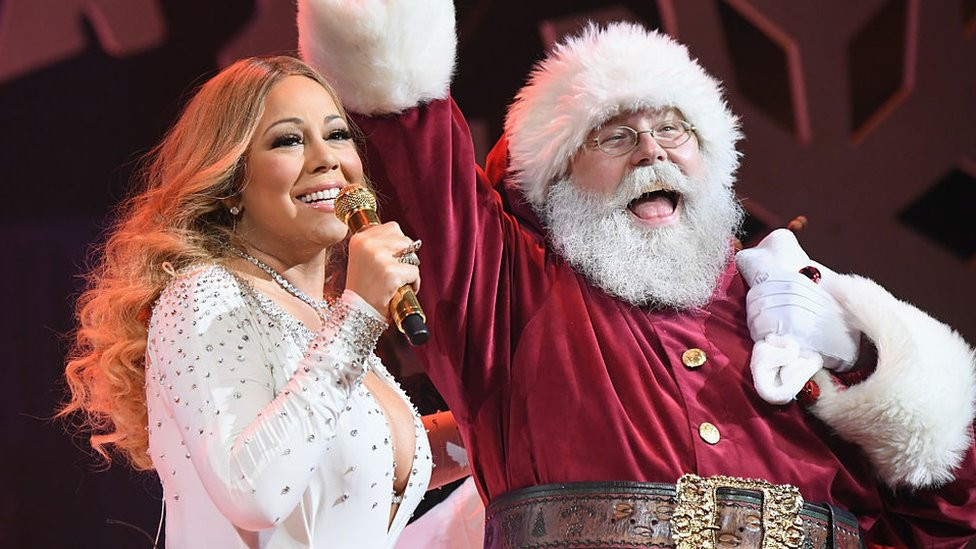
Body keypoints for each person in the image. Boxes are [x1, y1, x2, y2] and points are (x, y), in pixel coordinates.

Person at [297, 1, 976, 547]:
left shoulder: (796, 313)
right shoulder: (506, 292)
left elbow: (950, 515)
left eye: (675, 129)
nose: (652, 148)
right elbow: (406, 130)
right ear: (556, 179)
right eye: (615, 135)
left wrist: (872, 363)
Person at [61, 55, 468, 548]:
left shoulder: (324, 318)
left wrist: (498, 426)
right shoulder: (205, 295)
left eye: (337, 134)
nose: (326, 159)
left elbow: (369, 456)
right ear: (233, 180)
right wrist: (360, 314)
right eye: (289, 140)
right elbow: (252, 490)